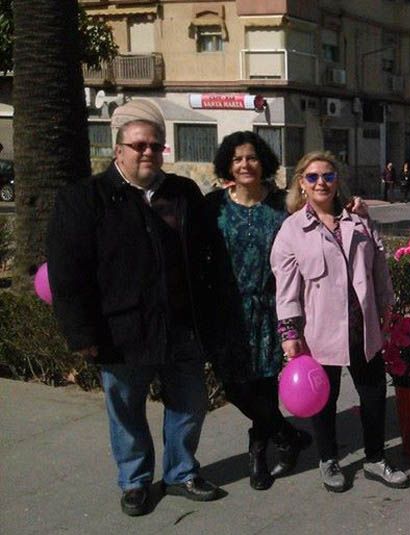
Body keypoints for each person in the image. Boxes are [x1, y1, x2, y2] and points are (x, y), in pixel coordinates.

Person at [46, 99, 221, 517]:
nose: (148, 152)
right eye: (139, 144)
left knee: (190, 405)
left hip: (181, 327)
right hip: (121, 332)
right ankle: (136, 480)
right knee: (126, 411)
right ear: (118, 148)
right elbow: (67, 274)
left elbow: (207, 256)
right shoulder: (83, 199)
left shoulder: (183, 193)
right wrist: (82, 335)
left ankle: (181, 472)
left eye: (156, 145)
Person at [270, 151, 410, 493]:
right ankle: (328, 459)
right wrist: (289, 332)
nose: (322, 183)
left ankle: (376, 459)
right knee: (324, 398)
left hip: (362, 326)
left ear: (337, 182)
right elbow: (286, 288)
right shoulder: (292, 230)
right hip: (320, 331)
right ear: (301, 184)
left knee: (374, 394)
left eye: (329, 176)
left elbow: (379, 265)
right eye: (313, 177)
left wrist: (386, 304)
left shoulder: (356, 219)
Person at [203, 131, 311, 491]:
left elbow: (321, 219)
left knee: (264, 386)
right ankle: (286, 433)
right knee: (233, 386)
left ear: (262, 161)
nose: (245, 165)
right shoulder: (213, 205)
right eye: (236, 159)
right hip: (226, 311)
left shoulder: (284, 204)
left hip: (269, 307)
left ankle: (257, 454)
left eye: (251, 157)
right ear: (227, 165)